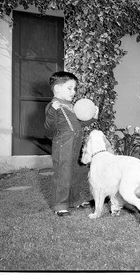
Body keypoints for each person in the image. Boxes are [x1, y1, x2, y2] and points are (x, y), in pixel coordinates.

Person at [44, 71, 98, 217]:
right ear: (57, 89)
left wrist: (92, 118)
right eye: (70, 88)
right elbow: (49, 128)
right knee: (63, 173)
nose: (74, 92)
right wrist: (53, 112)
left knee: (77, 171)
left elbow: (78, 124)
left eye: (74, 88)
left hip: (76, 143)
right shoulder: (53, 106)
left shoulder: (70, 105)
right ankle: (60, 204)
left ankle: (76, 199)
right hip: (63, 144)